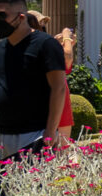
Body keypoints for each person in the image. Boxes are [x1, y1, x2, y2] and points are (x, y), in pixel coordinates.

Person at [0, 0, 68, 173]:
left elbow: (59, 88)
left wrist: (50, 132)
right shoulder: (0, 48)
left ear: (21, 17)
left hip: (33, 135)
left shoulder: (46, 45)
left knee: (27, 194)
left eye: (2, 15)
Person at [26, 11, 75, 147]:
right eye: (39, 24)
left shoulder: (45, 45)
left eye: (43, 24)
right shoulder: (36, 47)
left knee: (62, 152)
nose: (42, 27)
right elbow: (68, 57)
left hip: (61, 103)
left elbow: (66, 63)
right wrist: (66, 38)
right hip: (49, 104)